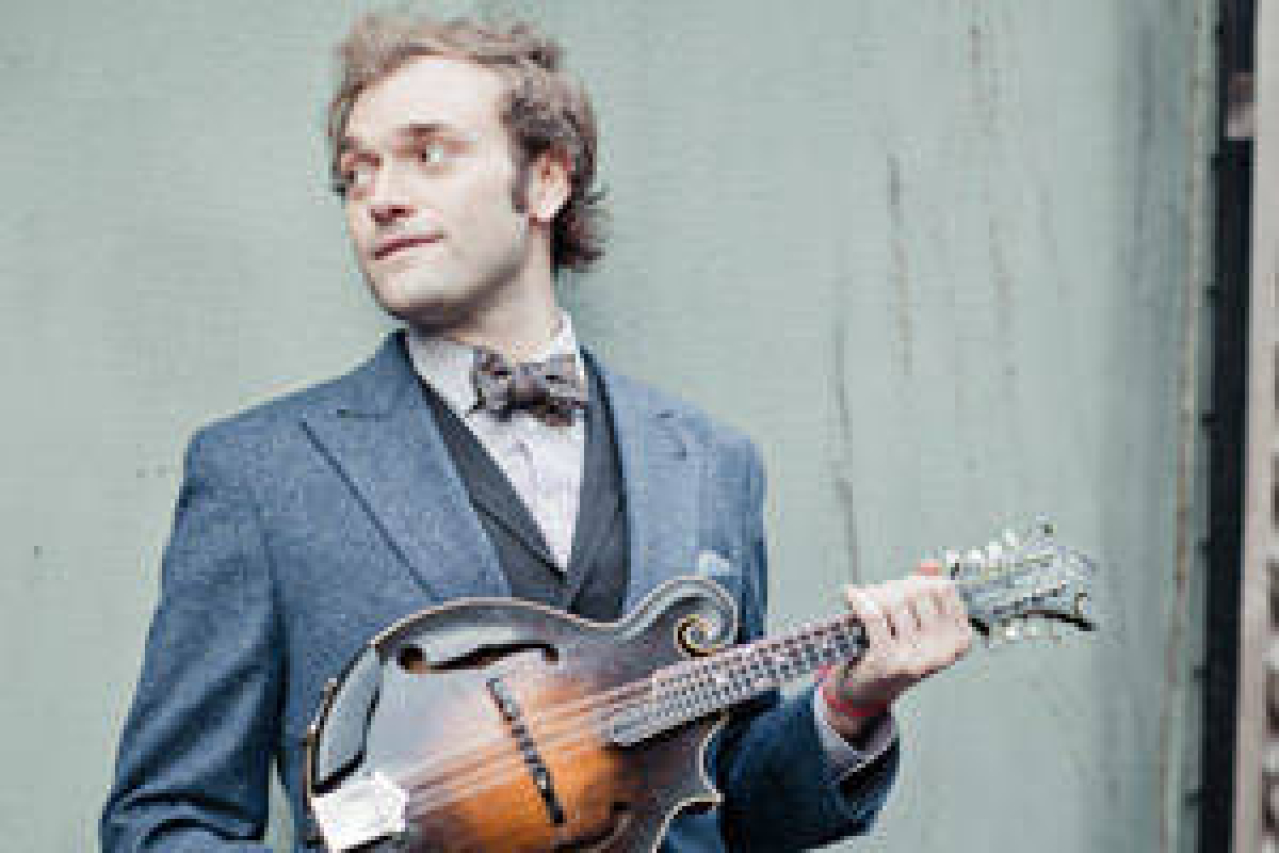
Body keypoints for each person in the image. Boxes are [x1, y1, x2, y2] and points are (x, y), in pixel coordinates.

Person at [101, 11, 973, 852]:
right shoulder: (260, 474)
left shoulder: (711, 463)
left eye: (427, 153)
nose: (381, 198)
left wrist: (850, 705)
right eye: (355, 173)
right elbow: (162, 822)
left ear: (546, 181)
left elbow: (729, 809)